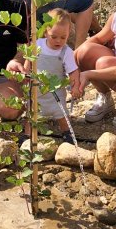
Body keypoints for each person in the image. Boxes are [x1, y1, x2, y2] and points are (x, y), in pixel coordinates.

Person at [35, 8, 82, 143]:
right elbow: (29, 60)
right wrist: (26, 74)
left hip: (56, 91)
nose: (58, 41)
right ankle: (28, 134)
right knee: (32, 113)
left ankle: (66, 132)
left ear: (69, 34)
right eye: (54, 37)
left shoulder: (66, 52)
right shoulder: (37, 45)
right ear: (45, 32)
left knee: (61, 113)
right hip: (36, 90)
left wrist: (75, 86)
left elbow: (73, 71)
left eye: (63, 37)